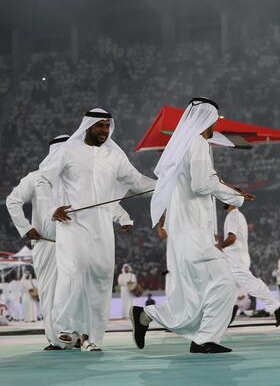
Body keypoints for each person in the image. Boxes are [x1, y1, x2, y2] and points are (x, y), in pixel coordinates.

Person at [130, 97, 254, 354]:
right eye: (214, 120)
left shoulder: (180, 145)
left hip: (183, 233)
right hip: (194, 233)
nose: (215, 126)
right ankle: (201, 337)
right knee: (224, 281)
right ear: (207, 119)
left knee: (195, 292)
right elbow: (200, 184)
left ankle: (154, 318)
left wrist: (224, 186)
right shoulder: (198, 143)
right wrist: (235, 197)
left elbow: (199, 182)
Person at [38, 109, 154, 351]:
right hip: (72, 224)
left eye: (107, 126)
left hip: (102, 226)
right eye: (99, 126)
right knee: (74, 271)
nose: (104, 130)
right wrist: (51, 208)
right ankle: (65, 328)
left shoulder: (114, 156)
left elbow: (136, 180)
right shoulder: (68, 151)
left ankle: (91, 337)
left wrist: (167, 185)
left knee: (101, 278)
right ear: (87, 126)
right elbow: (43, 179)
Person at [5, 134, 69, 348]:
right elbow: (12, 201)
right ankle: (55, 338)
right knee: (50, 290)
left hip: (77, 243)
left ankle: (78, 336)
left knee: (77, 289)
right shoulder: (35, 177)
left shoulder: (79, 179)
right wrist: (26, 228)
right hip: (47, 243)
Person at [218, 203, 280, 325]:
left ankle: (276, 306)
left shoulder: (232, 216)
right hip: (237, 256)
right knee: (229, 285)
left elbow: (232, 238)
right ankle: (230, 310)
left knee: (249, 283)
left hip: (235, 258)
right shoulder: (239, 215)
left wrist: (219, 246)